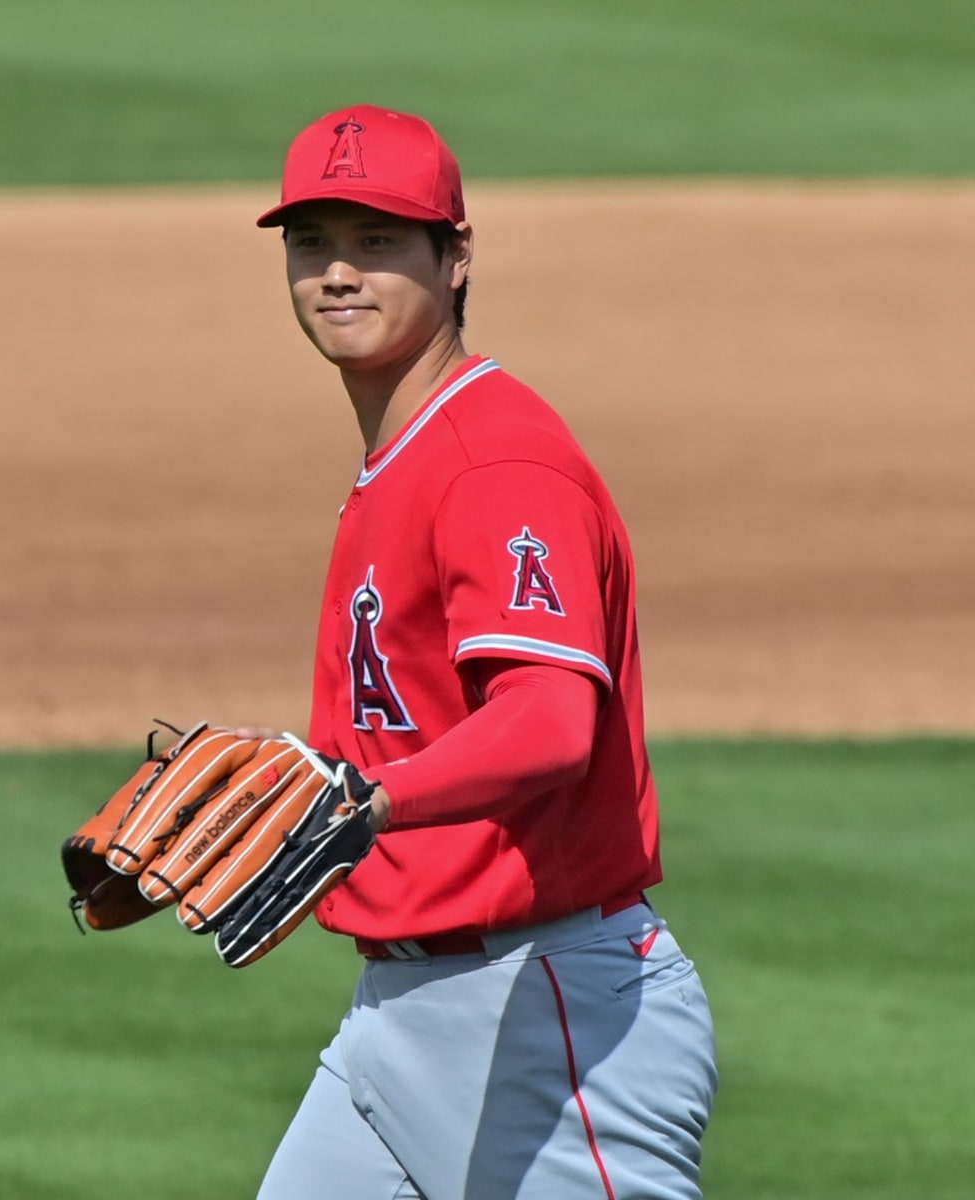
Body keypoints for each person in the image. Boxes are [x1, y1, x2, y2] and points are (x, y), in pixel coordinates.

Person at [250, 104, 717, 1200]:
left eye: (377, 242)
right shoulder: (402, 456)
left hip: (547, 1017)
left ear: (455, 258)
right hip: (395, 1022)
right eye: (311, 242)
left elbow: (552, 722)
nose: (337, 273)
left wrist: (369, 802)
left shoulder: (491, 463)